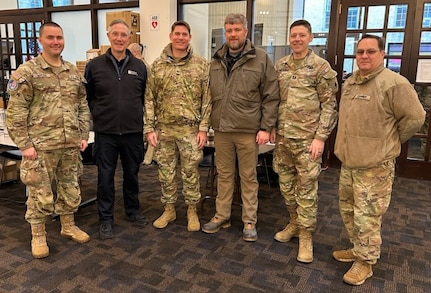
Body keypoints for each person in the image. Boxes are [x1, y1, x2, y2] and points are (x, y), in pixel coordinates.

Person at [333, 34, 425, 285]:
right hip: (349, 162)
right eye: (360, 51)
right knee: (349, 211)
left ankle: (366, 262)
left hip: (374, 167)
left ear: (382, 54)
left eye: (370, 51)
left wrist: (391, 141)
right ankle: (358, 248)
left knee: (368, 216)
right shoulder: (351, 82)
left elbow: (416, 117)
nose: (364, 56)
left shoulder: (394, 83)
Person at [6, 21, 91, 258]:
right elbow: (16, 112)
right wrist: (24, 144)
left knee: (70, 189)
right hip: (41, 147)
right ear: (40, 41)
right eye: (51, 37)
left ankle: (68, 225)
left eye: (59, 38)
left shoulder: (72, 71)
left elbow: (82, 105)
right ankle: (38, 235)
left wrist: (83, 134)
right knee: (40, 193)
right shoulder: (27, 73)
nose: (56, 42)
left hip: (69, 145)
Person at [202, 13, 280, 242]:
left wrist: (266, 127)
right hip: (222, 130)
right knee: (224, 175)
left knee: (248, 177)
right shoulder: (216, 60)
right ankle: (222, 215)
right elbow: (208, 95)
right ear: (225, 33)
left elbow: (271, 95)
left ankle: (249, 220)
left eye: (237, 29)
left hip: (248, 130)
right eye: (229, 30)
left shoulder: (261, 58)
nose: (233, 34)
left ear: (246, 32)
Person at [270, 19, 338, 263]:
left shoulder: (321, 68)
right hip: (283, 140)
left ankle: (306, 236)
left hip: (308, 141)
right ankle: (294, 223)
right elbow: (274, 101)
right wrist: (272, 128)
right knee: (286, 186)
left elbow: (330, 105)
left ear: (310, 38)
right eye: (293, 35)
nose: (297, 39)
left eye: (301, 35)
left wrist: (321, 137)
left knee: (306, 189)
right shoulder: (280, 66)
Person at [85, 19, 148, 239]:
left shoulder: (140, 67)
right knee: (105, 177)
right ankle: (105, 219)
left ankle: (132, 210)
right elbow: (89, 96)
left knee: (132, 174)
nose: (119, 38)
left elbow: (144, 99)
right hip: (106, 133)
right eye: (115, 34)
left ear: (129, 38)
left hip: (132, 132)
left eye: (124, 35)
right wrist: (100, 114)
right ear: (109, 36)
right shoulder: (95, 66)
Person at [145, 20, 211, 232]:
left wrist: (203, 128)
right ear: (171, 36)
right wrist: (149, 128)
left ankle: (192, 210)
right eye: (177, 34)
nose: (181, 38)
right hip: (164, 129)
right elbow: (149, 98)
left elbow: (207, 99)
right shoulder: (157, 65)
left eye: (185, 34)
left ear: (189, 37)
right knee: (166, 171)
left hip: (190, 129)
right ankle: (169, 208)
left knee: (191, 172)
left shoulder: (201, 65)